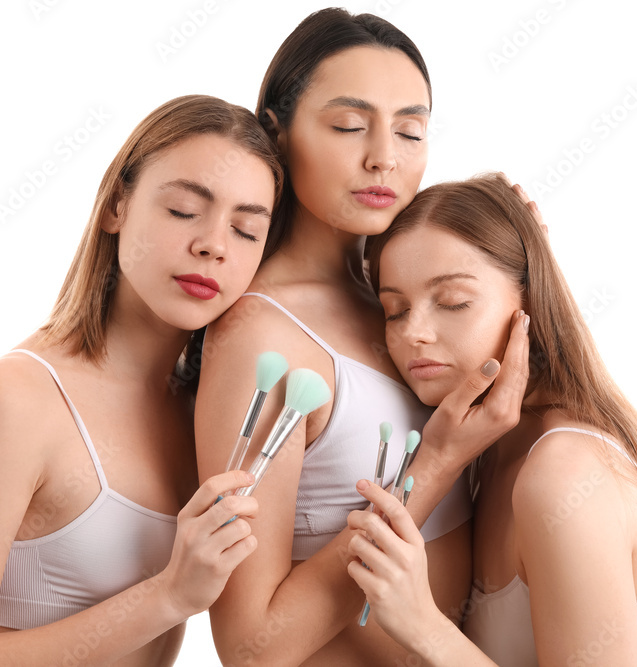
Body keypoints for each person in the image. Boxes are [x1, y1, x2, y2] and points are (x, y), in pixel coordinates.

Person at [0, 94, 284, 666]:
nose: (214, 245)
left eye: (247, 230)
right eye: (182, 211)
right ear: (116, 207)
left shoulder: (206, 410)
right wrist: (169, 595)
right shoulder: (13, 402)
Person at [194, 9, 531, 666]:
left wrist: (519, 267)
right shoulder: (260, 336)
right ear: (277, 130)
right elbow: (252, 647)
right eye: (349, 126)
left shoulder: (398, 299)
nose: (385, 156)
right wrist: (434, 462)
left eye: (410, 130)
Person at [346, 172, 637, 666]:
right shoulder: (488, 458)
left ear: (530, 301)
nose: (414, 333)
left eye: (453, 302)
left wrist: (423, 626)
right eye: (395, 309)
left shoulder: (563, 473)